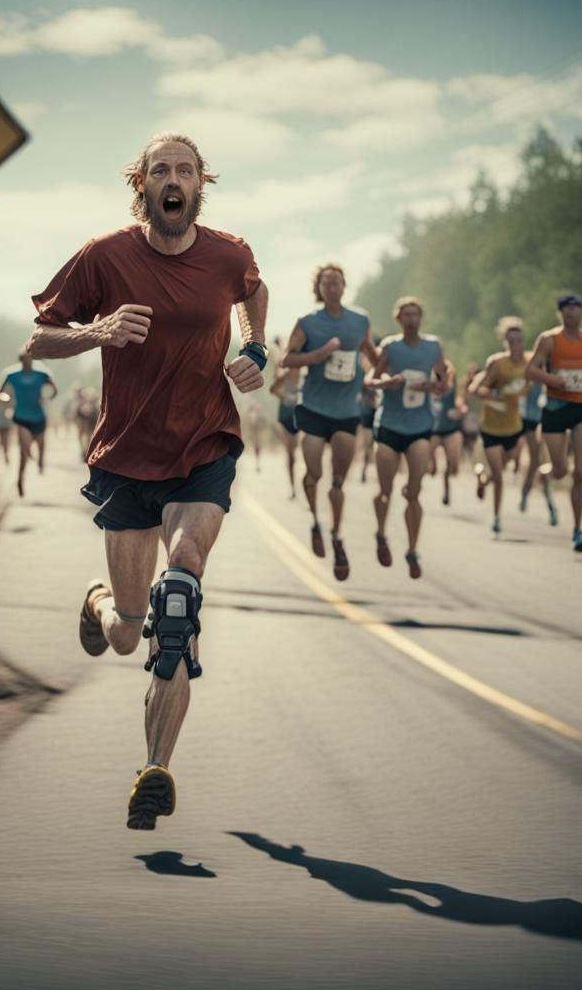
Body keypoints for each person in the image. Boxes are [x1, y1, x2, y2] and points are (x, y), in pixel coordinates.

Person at [24, 132, 267, 830]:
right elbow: (37, 339)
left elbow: (252, 292)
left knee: (180, 597)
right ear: (142, 185)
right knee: (130, 632)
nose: (173, 178)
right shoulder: (104, 256)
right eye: (160, 168)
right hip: (127, 457)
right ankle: (101, 602)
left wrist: (253, 347)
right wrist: (98, 332)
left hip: (202, 449)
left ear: (199, 185)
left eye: (184, 169)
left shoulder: (228, 253)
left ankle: (156, 768)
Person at [282, 263, 377, 581]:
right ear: (319, 288)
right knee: (313, 475)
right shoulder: (308, 323)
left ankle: (337, 536)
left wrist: (382, 379)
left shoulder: (359, 321)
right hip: (313, 409)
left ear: (344, 286)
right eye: (326, 283)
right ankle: (315, 521)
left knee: (338, 481)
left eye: (337, 282)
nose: (332, 287)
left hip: (347, 411)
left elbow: (374, 358)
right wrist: (318, 355)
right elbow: (286, 359)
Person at [369, 297, 448, 579]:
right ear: (398, 319)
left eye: (415, 314)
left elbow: (444, 383)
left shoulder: (433, 346)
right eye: (406, 315)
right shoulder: (390, 346)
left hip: (420, 427)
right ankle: (380, 534)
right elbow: (370, 380)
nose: (411, 319)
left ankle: (412, 550)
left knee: (414, 492)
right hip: (389, 425)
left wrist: (435, 386)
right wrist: (386, 383)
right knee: (386, 490)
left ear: (421, 317)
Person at [526, 294, 582, 552]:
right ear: (560, 314)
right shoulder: (549, 340)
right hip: (555, 409)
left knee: (580, 472)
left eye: (576, 309)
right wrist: (553, 380)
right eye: (567, 310)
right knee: (561, 470)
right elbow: (531, 370)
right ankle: (547, 474)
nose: (572, 314)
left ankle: (577, 530)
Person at [469, 318, 529, 534]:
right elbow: (477, 389)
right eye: (511, 340)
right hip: (492, 427)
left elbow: (535, 384)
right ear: (505, 341)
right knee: (500, 475)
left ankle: (482, 479)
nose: (515, 344)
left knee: (498, 473)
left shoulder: (529, 363)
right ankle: (496, 518)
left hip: (513, 427)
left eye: (519, 340)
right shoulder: (496, 362)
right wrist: (497, 393)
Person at [0, 352, 57, 498]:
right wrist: (8, 399)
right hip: (21, 417)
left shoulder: (41, 374)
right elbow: (1, 393)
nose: (29, 362)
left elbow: (54, 390)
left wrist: (46, 399)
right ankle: (20, 480)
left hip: (38, 416)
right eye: (26, 360)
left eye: (31, 359)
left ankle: (40, 462)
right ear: (21, 360)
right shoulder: (12, 375)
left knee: (41, 445)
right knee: (24, 452)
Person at [518, 358, 557, 525]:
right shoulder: (526, 383)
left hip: (545, 424)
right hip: (527, 423)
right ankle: (528, 494)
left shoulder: (549, 384)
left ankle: (546, 501)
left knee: (542, 464)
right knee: (536, 461)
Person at [269, 336, 301, 498]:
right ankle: (292, 487)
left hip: (302, 416)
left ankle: (307, 483)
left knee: (304, 450)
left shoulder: (305, 375)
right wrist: (287, 398)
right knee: (291, 454)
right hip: (287, 416)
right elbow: (273, 389)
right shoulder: (286, 375)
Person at [429, 358, 464, 506]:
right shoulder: (428, 388)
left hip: (451, 430)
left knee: (453, 465)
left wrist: (459, 411)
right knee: (429, 466)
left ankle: (446, 485)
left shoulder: (454, 389)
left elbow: (461, 403)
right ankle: (433, 463)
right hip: (434, 431)